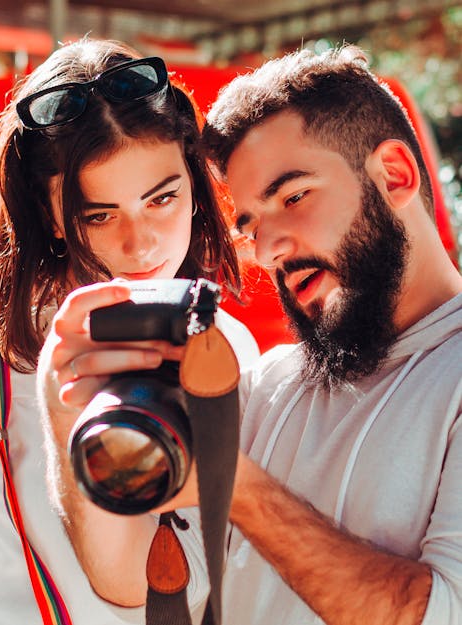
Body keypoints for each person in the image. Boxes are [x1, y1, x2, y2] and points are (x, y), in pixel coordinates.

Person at [37, 44, 462, 625]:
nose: (266, 249)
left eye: (293, 197)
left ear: (394, 174)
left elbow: (442, 614)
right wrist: (66, 405)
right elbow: (136, 582)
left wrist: (236, 487)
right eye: (251, 223)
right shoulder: (268, 385)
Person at [0, 37, 259, 625]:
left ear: (196, 189)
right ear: (50, 217)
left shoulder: (228, 347)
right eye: (98, 214)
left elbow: (203, 581)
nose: (141, 243)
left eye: (162, 198)